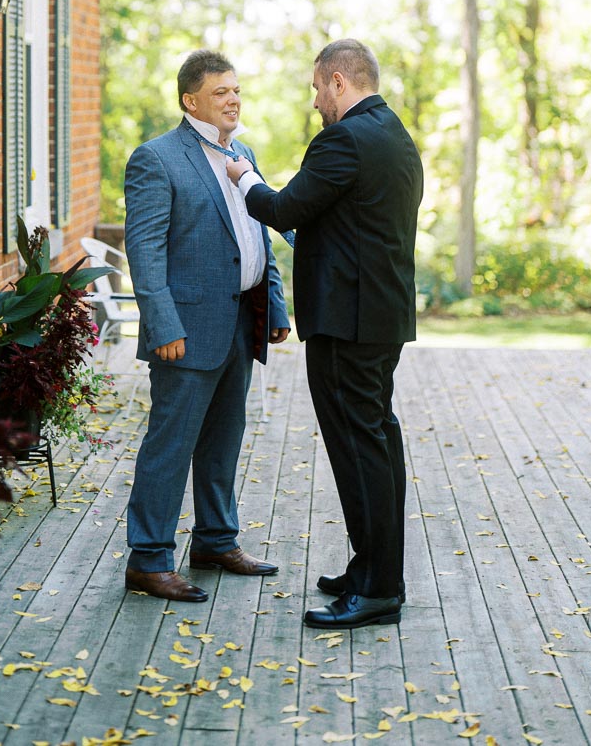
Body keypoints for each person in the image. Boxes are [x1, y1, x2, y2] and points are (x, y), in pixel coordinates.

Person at [226, 39, 423, 629]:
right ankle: (372, 569)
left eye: (317, 89)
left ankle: (380, 589)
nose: (315, 102)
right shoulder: (394, 135)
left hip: (348, 323)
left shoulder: (344, 138)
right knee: (377, 443)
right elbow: (341, 222)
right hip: (377, 318)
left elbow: (285, 209)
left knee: (361, 449)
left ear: (338, 82)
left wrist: (243, 176)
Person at [123, 50, 291, 602]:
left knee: (224, 440)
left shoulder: (243, 153)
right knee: (170, 444)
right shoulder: (157, 158)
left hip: (241, 322)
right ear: (190, 100)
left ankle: (216, 540)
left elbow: (257, 237)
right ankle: (148, 559)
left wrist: (275, 307)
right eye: (221, 92)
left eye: (237, 90)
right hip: (185, 331)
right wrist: (162, 324)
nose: (234, 100)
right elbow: (144, 252)